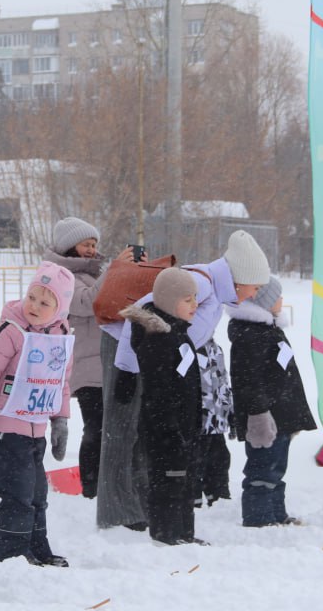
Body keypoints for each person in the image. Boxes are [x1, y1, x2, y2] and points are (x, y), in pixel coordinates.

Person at [99, 232, 256, 530]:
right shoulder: (201, 284)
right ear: (240, 278)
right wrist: (127, 371)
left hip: (165, 383)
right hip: (135, 359)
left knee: (171, 465)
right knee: (128, 441)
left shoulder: (201, 305)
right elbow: (143, 310)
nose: (254, 294)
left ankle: (166, 521)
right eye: (254, 287)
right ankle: (131, 516)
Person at [0, 261, 75, 565]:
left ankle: (37, 548)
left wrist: (60, 421)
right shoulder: (9, 331)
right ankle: (11, 555)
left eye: (45, 302)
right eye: (32, 297)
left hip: (35, 427)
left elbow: (60, 383)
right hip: (4, 427)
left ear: (60, 308)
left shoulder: (60, 337)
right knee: (18, 494)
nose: (35, 306)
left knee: (38, 495)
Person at [42, 217, 134, 499]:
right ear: (70, 246)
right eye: (86, 244)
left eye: (94, 244)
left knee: (109, 426)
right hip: (85, 363)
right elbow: (88, 303)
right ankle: (91, 487)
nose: (92, 250)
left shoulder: (92, 273)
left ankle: (106, 482)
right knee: (96, 427)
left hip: (105, 361)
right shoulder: (61, 276)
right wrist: (115, 271)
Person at [117, 268, 203, 545]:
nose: (195, 305)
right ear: (168, 301)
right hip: (165, 429)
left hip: (184, 426)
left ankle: (184, 533)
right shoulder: (159, 341)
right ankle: (166, 535)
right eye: (187, 299)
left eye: (195, 298)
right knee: (168, 480)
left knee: (185, 480)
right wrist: (169, 430)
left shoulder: (179, 334)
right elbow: (160, 393)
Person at [227, 276, 316, 527]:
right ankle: (258, 517)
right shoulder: (251, 335)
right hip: (266, 417)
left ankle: (276, 513)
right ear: (264, 302)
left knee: (276, 466)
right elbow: (249, 380)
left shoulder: (269, 330)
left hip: (280, 412)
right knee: (262, 466)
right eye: (277, 296)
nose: (282, 301)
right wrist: (259, 414)